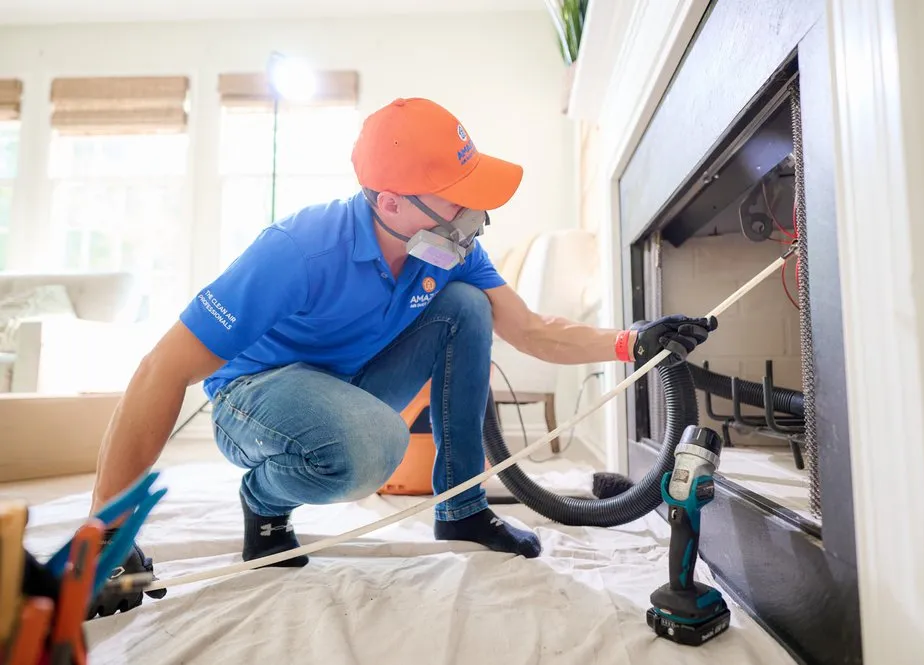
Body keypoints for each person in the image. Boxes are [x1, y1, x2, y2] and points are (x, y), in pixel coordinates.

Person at [85, 97, 717, 618]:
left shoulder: (450, 248)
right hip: (255, 399)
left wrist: (633, 340)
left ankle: (461, 509)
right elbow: (159, 370)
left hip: (347, 385)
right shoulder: (298, 250)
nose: (472, 218)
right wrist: (109, 529)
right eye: (454, 200)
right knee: (374, 446)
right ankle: (265, 496)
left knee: (468, 306)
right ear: (388, 202)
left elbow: (530, 330)